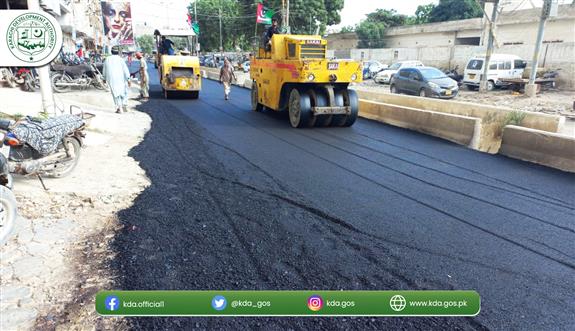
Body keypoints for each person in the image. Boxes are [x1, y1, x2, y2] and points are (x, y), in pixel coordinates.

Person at [103, 46, 131, 113]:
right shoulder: (120, 59)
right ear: (118, 52)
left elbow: (104, 70)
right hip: (121, 78)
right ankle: (123, 105)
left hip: (112, 79)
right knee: (122, 91)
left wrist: (104, 78)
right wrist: (128, 79)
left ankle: (119, 107)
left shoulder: (107, 59)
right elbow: (125, 69)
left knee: (115, 93)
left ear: (111, 52)